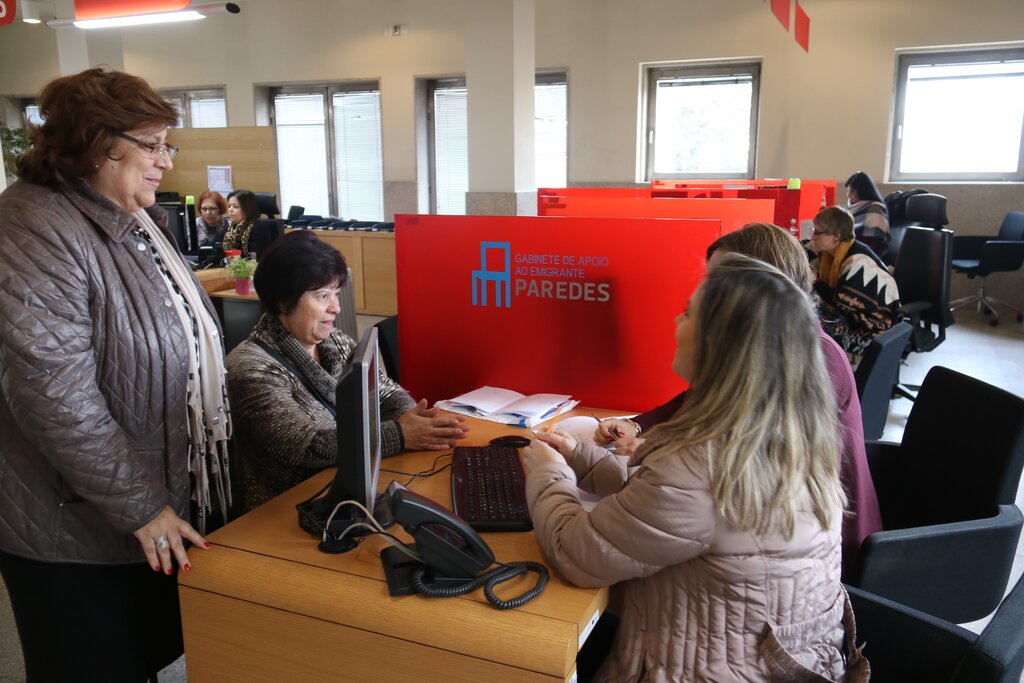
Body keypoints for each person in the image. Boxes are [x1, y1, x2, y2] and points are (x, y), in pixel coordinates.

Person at [523, 254, 868, 682]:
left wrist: (546, 471)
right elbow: (671, 506)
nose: (675, 319)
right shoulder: (787, 433)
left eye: (688, 313)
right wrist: (579, 457)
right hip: (783, 661)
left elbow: (576, 553)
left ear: (719, 346)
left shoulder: (702, 460)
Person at [0, 67, 231, 681]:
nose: (165, 161)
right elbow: (54, 393)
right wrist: (142, 507)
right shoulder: (34, 225)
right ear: (98, 144)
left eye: (165, 145)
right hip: (74, 525)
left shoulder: (126, 216)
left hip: (143, 505)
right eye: (151, 145)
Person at [596, 222, 882, 577]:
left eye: (725, 281)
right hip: (764, 535)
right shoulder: (770, 341)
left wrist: (651, 448)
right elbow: (702, 399)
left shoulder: (814, 359)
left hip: (816, 554)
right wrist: (638, 424)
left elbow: (740, 449)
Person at [226, 231, 469, 512]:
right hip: (287, 510)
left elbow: (385, 390)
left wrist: (410, 417)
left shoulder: (333, 341)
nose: (336, 307)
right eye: (322, 295)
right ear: (283, 300)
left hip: (343, 490)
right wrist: (401, 435)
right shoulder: (250, 368)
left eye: (336, 293)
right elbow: (310, 447)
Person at [809, 205, 901, 357]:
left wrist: (814, 285)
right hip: (857, 320)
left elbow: (841, 302)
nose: (813, 237)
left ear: (836, 236)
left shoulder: (857, 262)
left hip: (876, 330)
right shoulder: (832, 253)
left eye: (817, 232)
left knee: (816, 328)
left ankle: (831, 374)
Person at [845, 170, 891, 261]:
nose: (849, 196)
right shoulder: (851, 210)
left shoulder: (875, 209)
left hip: (864, 257)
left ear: (863, 191)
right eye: (848, 191)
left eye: (852, 191)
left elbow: (872, 242)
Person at [222, 188, 276, 258]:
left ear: (248, 209)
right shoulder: (230, 228)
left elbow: (257, 258)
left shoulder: (258, 228)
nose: (230, 210)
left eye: (235, 207)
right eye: (229, 206)